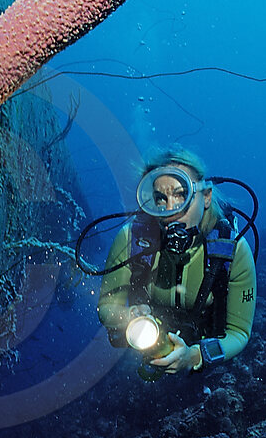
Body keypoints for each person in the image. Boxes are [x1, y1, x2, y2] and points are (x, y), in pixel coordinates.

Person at [97, 147, 257, 376]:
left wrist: (195, 356)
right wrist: (129, 316)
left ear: (207, 196)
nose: (170, 210)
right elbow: (106, 306)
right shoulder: (130, 239)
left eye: (181, 195)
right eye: (161, 199)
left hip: (204, 354)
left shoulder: (233, 251)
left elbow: (239, 332)